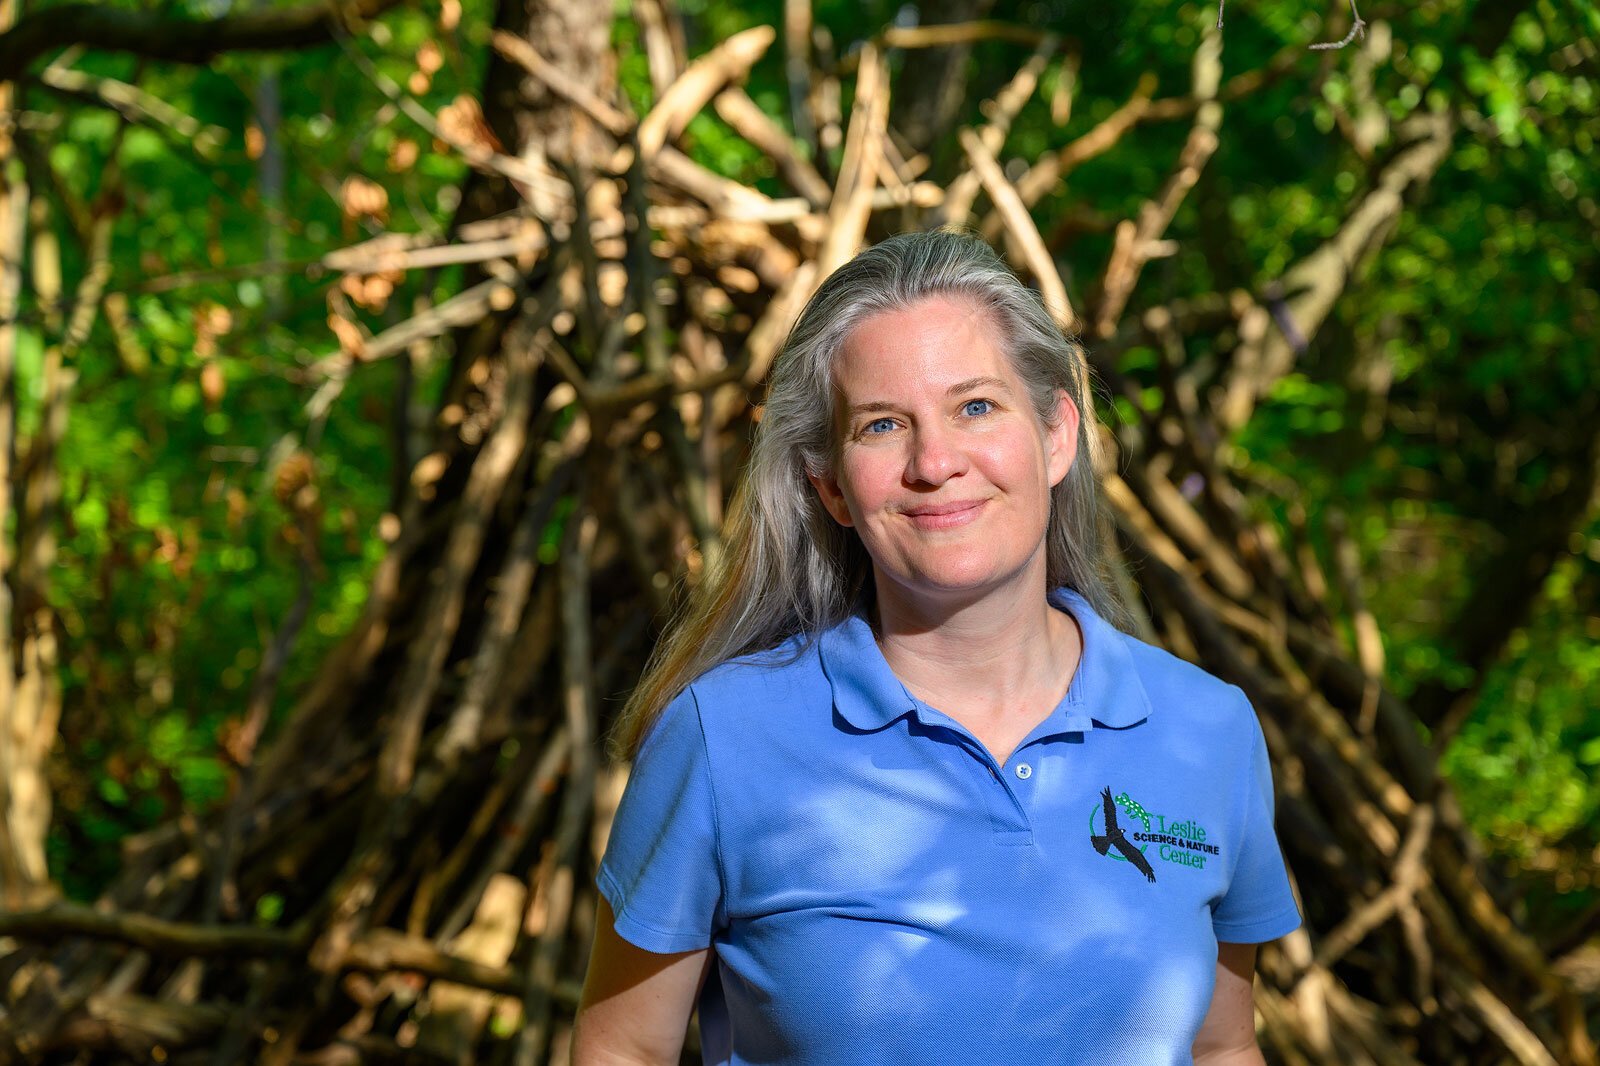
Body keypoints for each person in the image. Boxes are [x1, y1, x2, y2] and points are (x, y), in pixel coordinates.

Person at [573, 229, 1300, 1065]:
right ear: (831, 487)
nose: (935, 462)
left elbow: (1220, 1049)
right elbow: (621, 1050)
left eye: (976, 407)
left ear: (1058, 434)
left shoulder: (1206, 730)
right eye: (882, 425)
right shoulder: (722, 738)